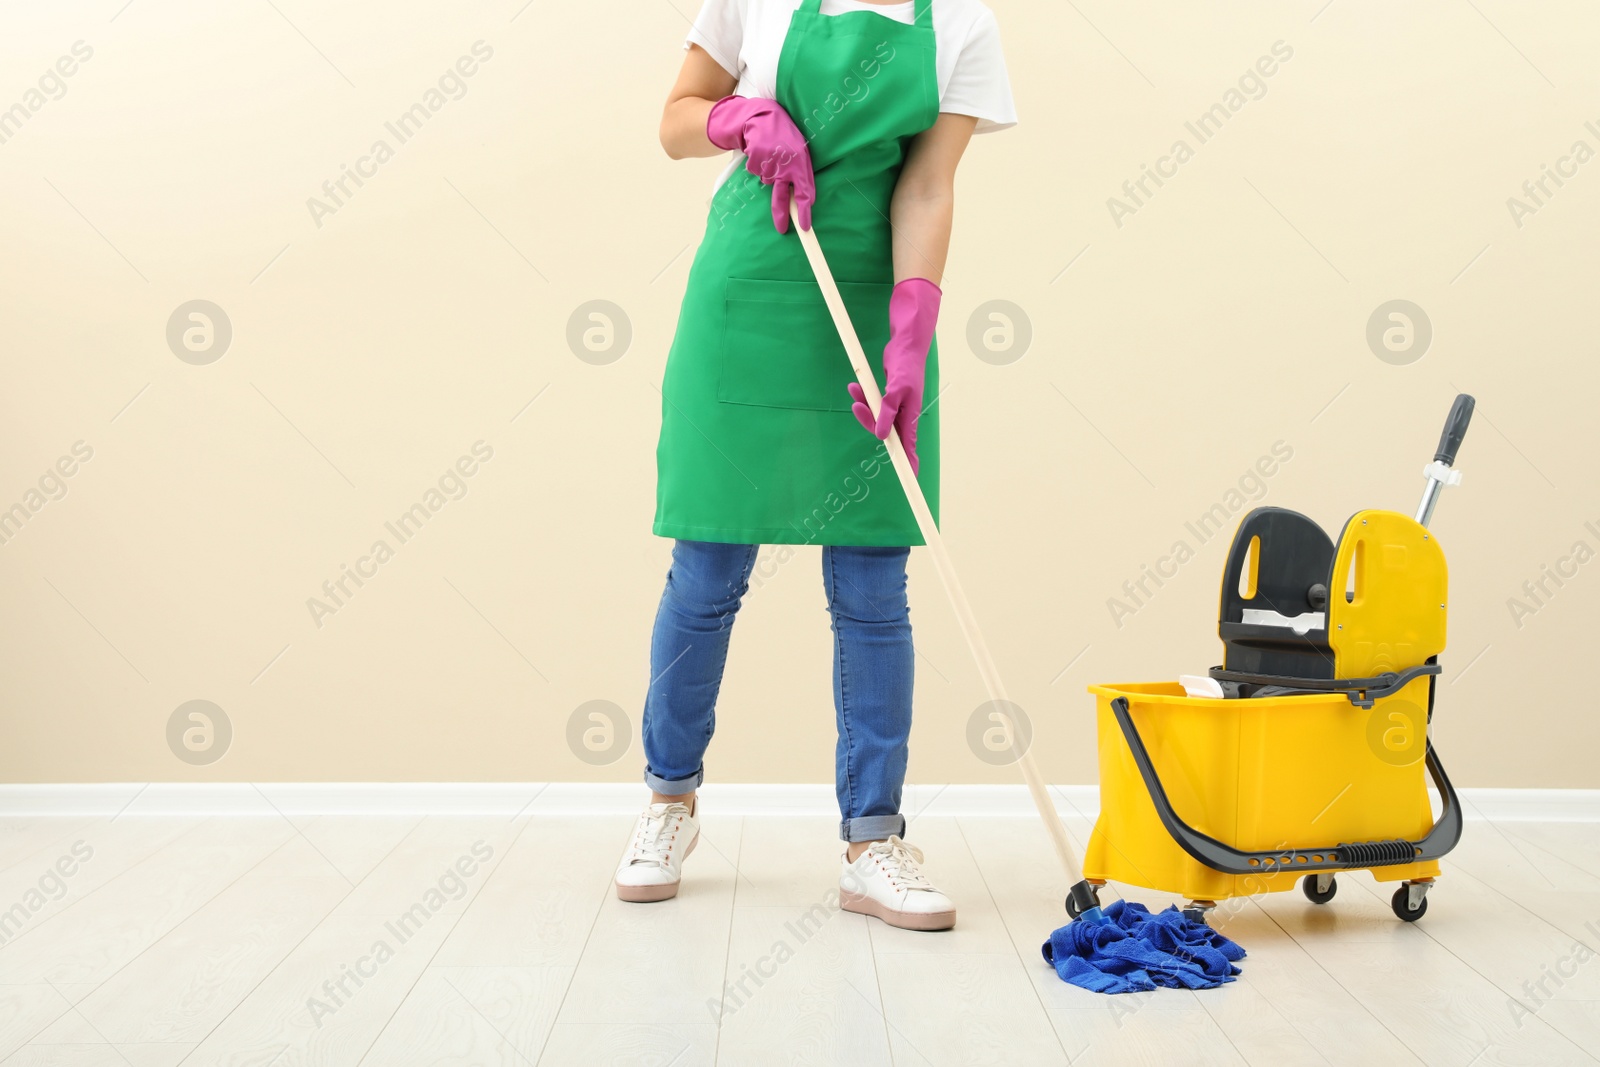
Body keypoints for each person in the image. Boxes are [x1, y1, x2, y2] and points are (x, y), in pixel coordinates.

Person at [615, 0, 1015, 932]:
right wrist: (736, 117)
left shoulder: (960, 21)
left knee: (875, 581)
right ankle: (667, 805)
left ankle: (873, 840)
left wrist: (911, 328)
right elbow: (677, 117)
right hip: (749, 289)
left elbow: (925, 187)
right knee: (706, 571)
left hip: (872, 295)